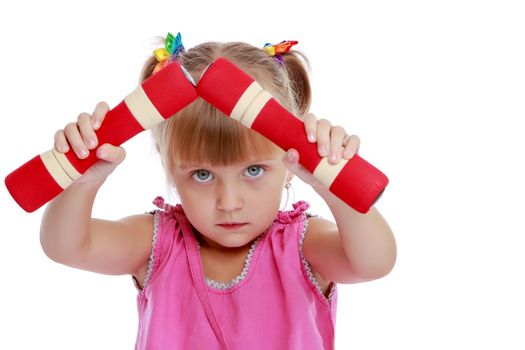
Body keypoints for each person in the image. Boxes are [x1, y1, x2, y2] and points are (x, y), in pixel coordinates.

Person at [40, 34, 397, 349]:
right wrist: (83, 182)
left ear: (289, 164)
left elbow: (374, 262)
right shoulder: (158, 245)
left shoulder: (302, 245)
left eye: (254, 170)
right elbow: (67, 246)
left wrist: (331, 182)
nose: (229, 203)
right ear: (168, 162)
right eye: (202, 174)